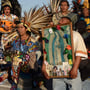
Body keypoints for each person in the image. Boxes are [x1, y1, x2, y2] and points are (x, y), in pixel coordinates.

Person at [42, 17, 88, 90]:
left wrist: (75, 69)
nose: (60, 21)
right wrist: (44, 67)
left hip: (71, 69)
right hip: (56, 70)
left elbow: (79, 54)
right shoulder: (53, 36)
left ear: (69, 24)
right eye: (59, 21)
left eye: (63, 20)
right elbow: (48, 52)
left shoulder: (75, 34)